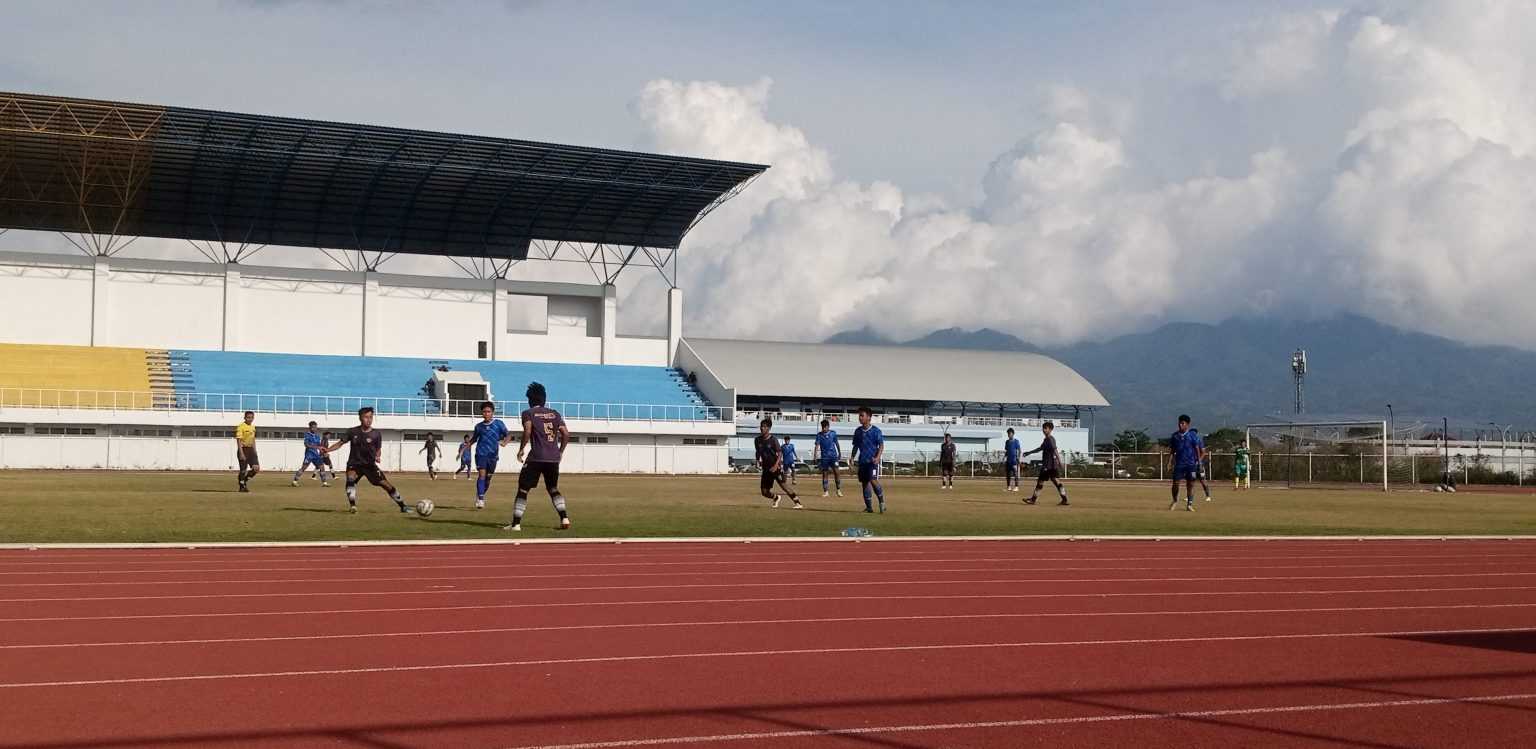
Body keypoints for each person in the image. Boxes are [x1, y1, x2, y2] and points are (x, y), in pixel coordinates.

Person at [507, 381, 572, 531]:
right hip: (553, 458)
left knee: (523, 489)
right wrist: (560, 451)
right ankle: (564, 517)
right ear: (544, 399)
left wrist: (521, 448)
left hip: (536, 457)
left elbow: (528, 431)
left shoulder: (528, 413)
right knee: (553, 488)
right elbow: (566, 434)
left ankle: (516, 524)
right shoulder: (555, 414)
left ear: (530, 400)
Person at [322, 406, 411, 514]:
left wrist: (378, 456)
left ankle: (402, 505)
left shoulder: (376, 434)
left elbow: (378, 449)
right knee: (350, 478)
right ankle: (353, 506)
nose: (369, 419)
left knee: (385, 484)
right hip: (354, 464)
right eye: (366, 417)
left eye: (371, 417)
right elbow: (340, 443)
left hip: (369, 465)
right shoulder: (352, 431)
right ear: (360, 418)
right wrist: (328, 450)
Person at [472, 402, 514, 509]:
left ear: (492, 413)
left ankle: (480, 494)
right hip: (481, 454)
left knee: (488, 478)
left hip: (493, 455)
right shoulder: (478, 427)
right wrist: (464, 448)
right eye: (484, 412)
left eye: (488, 412)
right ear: (482, 413)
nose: (486, 414)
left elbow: (508, 435)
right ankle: (481, 499)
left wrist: (505, 442)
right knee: (482, 475)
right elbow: (474, 439)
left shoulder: (499, 424)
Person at [755, 418, 801, 509]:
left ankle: (798, 503)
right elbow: (758, 452)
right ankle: (776, 498)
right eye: (761, 426)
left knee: (783, 485)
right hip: (766, 468)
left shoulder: (773, 440)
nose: (762, 428)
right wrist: (757, 460)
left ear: (769, 428)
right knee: (764, 492)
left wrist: (776, 465)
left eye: (764, 427)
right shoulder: (757, 440)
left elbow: (780, 453)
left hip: (775, 467)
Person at [1021, 421, 1069, 506]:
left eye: (1045, 428)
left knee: (1040, 482)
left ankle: (1033, 500)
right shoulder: (1047, 439)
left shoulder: (1050, 439)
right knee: (1056, 481)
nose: (1043, 430)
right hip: (1052, 465)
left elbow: (1055, 450)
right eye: (1043, 428)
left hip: (1048, 465)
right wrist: (1029, 452)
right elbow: (1040, 448)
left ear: (1050, 429)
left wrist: (1060, 461)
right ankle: (1064, 499)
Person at [850, 407, 886, 513]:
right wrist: (852, 457)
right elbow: (855, 446)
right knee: (865, 483)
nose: (860, 418)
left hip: (872, 461)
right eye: (859, 416)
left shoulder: (876, 431)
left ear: (869, 417)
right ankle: (869, 507)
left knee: (873, 480)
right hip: (862, 462)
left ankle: (882, 502)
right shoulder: (858, 431)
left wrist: (878, 457)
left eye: (862, 415)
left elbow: (881, 445)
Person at [1169, 414, 1206, 511]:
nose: (1180, 425)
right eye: (1179, 423)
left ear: (1187, 425)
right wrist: (1170, 461)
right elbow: (1172, 450)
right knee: (1175, 483)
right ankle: (1175, 500)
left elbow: (1197, 449)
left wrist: (1199, 463)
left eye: (1182, 423)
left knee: (1190, 484)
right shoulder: (1175, 436)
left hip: (1191, 464)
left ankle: (1189, 504)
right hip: (1179, 464)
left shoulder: (1192, 436)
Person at [291, 421, 331, 487]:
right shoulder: (307, 435)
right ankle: (294, 481)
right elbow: (306, 445)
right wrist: (317, 447)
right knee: (303, 468)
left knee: (322, 467)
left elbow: (320, 446)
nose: (315, 429)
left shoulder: (317, 436)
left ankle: (324, 483)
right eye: (313, 427)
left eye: (316, 427)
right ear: (310, 427)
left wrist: (325, 452)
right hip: (309, 455)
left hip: (316, 455)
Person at [813, 419, 843, 497]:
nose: (823, 429)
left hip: (833, 456)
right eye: (822, 427)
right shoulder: (819, 435)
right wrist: (815, 456)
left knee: (837, 472)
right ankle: (826, 491)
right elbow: (816, 446)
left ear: (828, 427)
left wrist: (839, 452)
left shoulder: (833, 433)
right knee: (825, 474)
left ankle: (838, 490)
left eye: (825, 427)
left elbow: (837, 443)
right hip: (824, 457)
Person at [234, 410, 259, 492]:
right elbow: (238, 440)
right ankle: (241, 486)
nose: (250, 419)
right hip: (243, 449)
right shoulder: (241, 427)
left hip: (251, 450)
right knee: (243, 470)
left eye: (251, 417)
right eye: (248, 417)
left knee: (256, 469)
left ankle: (244, 480)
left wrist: (255, 450)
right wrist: (241, 453)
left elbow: (253, 439)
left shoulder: (253, 427)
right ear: (245, 417)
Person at [1003, 428, 1022, 492]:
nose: (1009, 435)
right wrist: (1004, 457)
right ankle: (1009, 486)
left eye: (1010, 433)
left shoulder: (1016, 441)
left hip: (1014, 460)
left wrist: (1019, 458)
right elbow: (1007, 451)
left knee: (1015, 474)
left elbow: (1019, 451)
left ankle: (1016, 487)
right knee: (1008, 474)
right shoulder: (1007, 442)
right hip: (1008, 460)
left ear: (1013, 434)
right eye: (1008, 434)